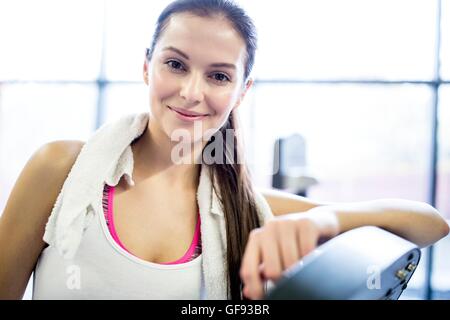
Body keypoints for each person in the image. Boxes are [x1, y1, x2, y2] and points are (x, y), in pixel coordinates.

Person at [0, 0, 448, 300]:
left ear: (242, 90)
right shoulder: (61, 169)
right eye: (175, 64)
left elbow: (430, 223)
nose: (192, 93)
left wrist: (321, 220)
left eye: (219, 76)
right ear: (146, 66)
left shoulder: (247, 210)